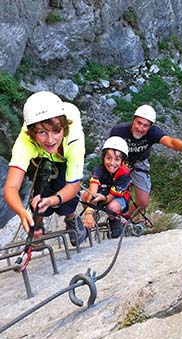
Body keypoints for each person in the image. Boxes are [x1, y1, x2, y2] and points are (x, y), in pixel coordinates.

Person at [3, 90, 87, 246]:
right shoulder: (25, 141)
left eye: (56, 131)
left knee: (62, 185)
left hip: (63, 154)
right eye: (42, 132)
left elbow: (73, 185)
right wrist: (22, 212)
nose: (50, 139)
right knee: (39, 191)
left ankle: (71, 218)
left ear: (64, 128)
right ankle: (37, 222)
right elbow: (11, 187)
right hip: (39, 155)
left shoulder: (74, 139)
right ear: (33, 133)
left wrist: (54, 200)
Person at [110, 104, 182, 215]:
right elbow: (109, 151)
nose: (140, 128)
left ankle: (126, 219)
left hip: (139, 163)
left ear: (150, 127)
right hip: (119, 162)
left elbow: (170, 141)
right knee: (109, 194)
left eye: (145, 126)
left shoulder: (153, 133)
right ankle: (108, 213)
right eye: (139, 123)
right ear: (133, 120)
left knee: (143, 203)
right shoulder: (119, 131)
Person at [82, 136, 130, 238]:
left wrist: (102, 199)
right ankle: (90, 220)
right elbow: (92, 191)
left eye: (117, 159)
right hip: (102, 193)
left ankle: (114, 219)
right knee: (86, 195)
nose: (112, 163)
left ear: (123, 162)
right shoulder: (98, 170)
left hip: (117, 197)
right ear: (103, 158)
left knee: (112, 207)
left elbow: (111, 197)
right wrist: (89, 212)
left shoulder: (124, 174)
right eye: (108, 158)